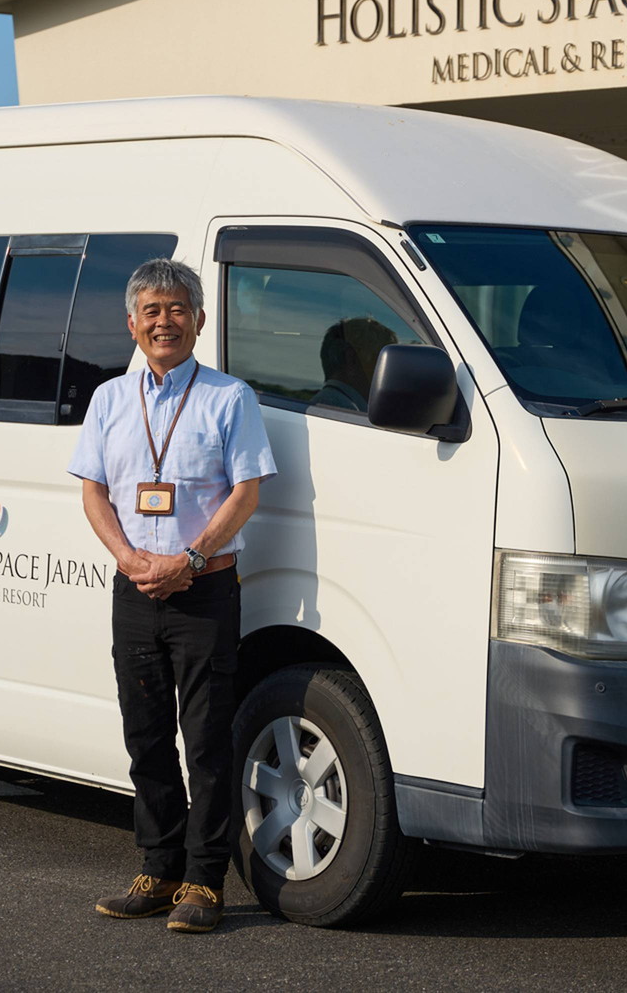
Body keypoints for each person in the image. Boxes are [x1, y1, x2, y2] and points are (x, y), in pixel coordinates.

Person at [68, 257, 276, 934]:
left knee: (206, 739)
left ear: (200, 320)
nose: (165, 321)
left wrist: (189, 557)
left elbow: (247, 491)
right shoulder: (108, 400)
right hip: (134, 590)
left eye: (177, 309)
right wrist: (131, 559)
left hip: (205, 591)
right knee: (146, 734)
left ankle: (204, 880)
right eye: (152, 311)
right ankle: (157, 869)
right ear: (133, 323)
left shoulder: (228, 398)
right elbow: (93, 489)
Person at [308, 316, 396, 412]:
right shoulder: (337, 409)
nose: (392, 371)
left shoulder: (341, 405)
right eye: (384, 361)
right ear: (351, 359)